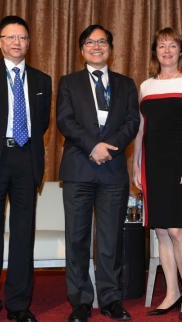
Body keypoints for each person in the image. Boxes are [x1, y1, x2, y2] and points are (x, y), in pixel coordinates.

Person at [57, 24, 139, 322]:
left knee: (110, 240)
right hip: (79, 168)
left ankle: (110, 299)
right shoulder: (69, 82)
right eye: (90, 42)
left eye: (102, 41)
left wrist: (110, 147)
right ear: (82, 50)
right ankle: (80, 300)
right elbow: (65, 121)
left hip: (113, 170)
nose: (96, 46)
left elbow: (132, 122)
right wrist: (93, 146)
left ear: (110, 48)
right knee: (77, 239)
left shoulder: (126, 84)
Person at [0, 15, 52, 322]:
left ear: (28, 43)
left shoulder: (42, 80)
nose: (16, 42)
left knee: (23, 235)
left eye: (22, 37)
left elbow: (42, 122)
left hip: (26, 160)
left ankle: (19, 305)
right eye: (10, 37)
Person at [133, 27, 182, 321]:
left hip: (180, 161)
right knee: (160, 231)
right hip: (151, 163)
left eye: (172, 46)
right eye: (161, 46)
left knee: (177, 230)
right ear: (155, 52)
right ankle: (171, 292)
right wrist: (135, 166)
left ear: (181, 51)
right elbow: (140, 130)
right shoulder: (145, 86)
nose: (167, 50)